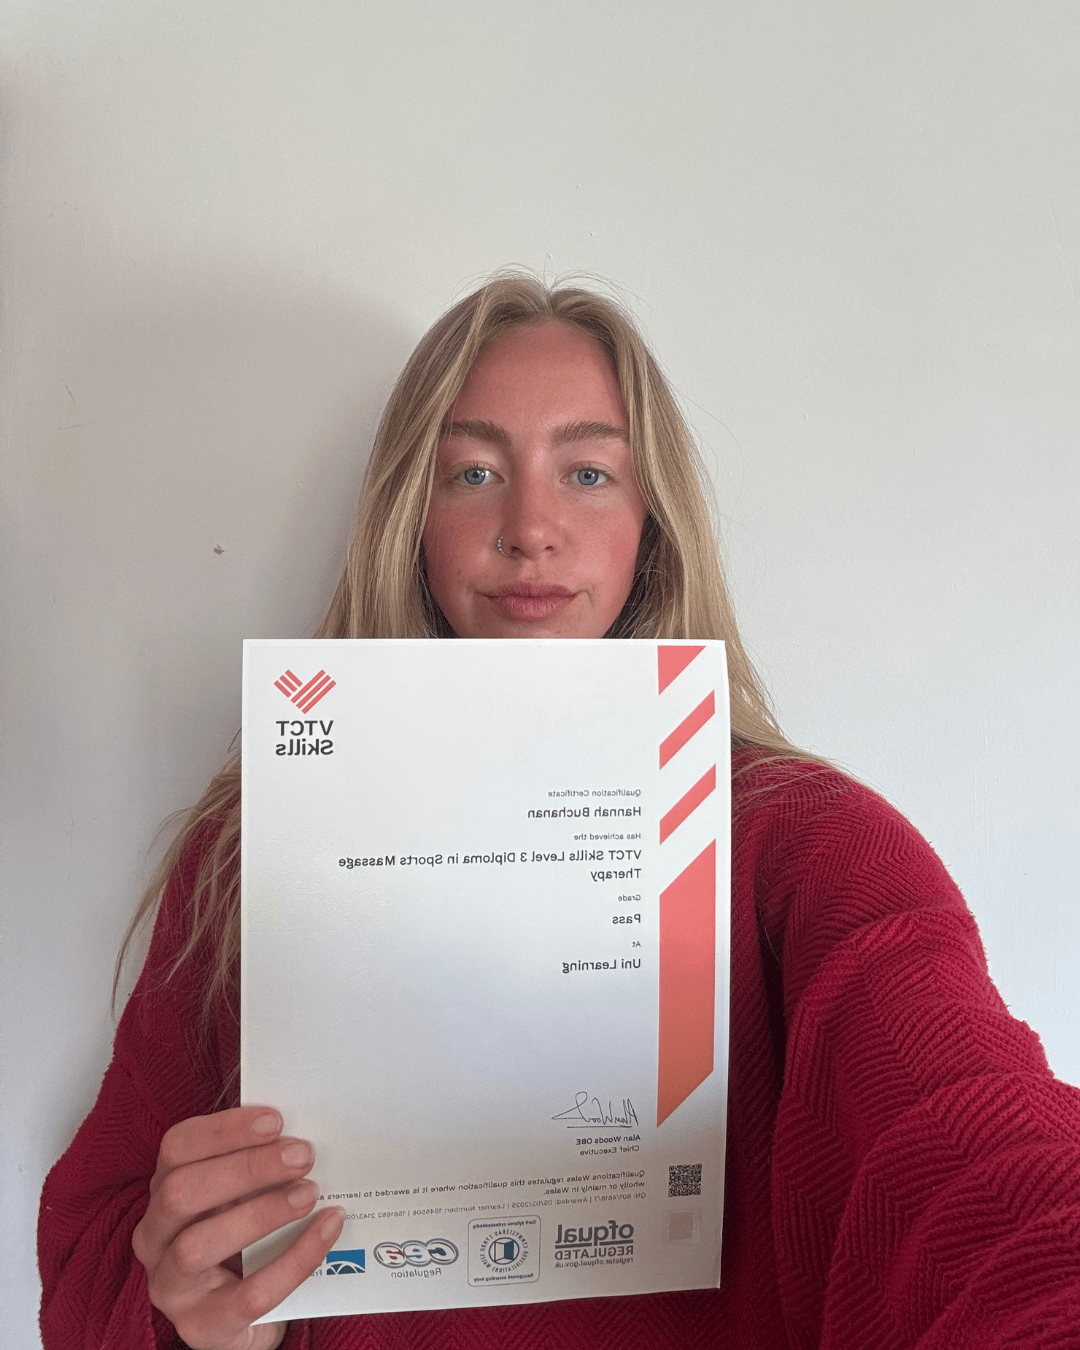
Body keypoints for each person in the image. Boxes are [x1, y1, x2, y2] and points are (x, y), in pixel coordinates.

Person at [38, 274, 1080, 1350]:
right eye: (474, 473)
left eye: (587, 473)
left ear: (651, 521)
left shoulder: (815, 847)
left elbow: (976, 1151)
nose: (531, 529)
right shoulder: (252, 850)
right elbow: (88, 1267)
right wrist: (200, 1316)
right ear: (409, 516)